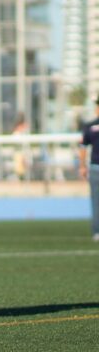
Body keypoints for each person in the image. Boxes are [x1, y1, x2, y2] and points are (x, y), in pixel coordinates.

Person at [79, 95, 99, 242]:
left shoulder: (90, 126)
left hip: (94, 167)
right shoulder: (90, 126)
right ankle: (97, 230)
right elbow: (83, 146)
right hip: (95, 168)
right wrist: (82, 166)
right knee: (96, 201)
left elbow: (83, 147)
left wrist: (82, 166)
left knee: (96, 201)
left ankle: (97, 231)